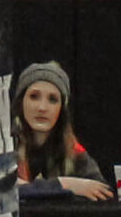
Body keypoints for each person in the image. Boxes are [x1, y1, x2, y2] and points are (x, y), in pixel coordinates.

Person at [15, 60, 112, 200]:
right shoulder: (4, 147)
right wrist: (65, 184)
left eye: (52, 99)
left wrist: (38, 190)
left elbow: (103, 193)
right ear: (20, 102)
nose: (42, 108)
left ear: (62, 109)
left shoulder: (72, 150)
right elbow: (4, 194)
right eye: (34, 97)